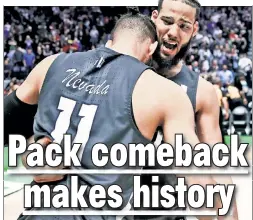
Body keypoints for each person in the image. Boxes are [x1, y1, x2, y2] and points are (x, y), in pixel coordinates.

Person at [4, 9, 221, 220]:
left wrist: (32, 149)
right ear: (151, 48)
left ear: (110, 40)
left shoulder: (52, 63)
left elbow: (8, 121)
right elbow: (204, 198)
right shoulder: (163, 91)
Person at [136, 0, 238, 220]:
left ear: (195, 30)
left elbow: (217, 170)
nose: (173, 32)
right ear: (154, 18)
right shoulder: (121, 73)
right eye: (167, 21)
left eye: (184, 26)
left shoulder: (202, 92)